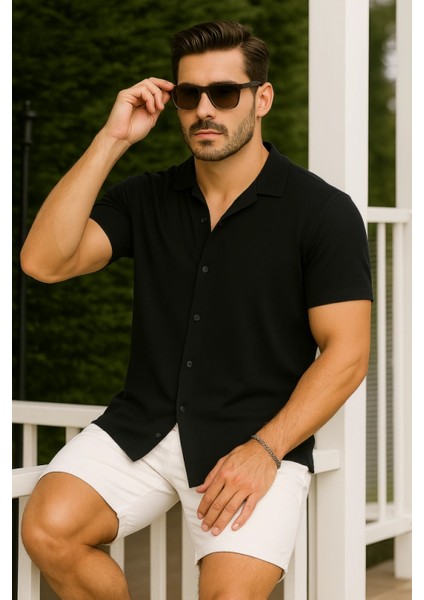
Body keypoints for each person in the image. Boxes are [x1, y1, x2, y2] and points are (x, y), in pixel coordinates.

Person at [20, 20, 373, 600]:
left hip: (254, 439)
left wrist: (266, 450)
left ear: (262, 98)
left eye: (224, 92)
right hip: (143, 424)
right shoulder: (147, 196)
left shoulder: (323, 212)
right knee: (47, 530)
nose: (204, 109)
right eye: (189, 94)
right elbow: (44, 262)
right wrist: (112, 139)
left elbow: (348, 354)